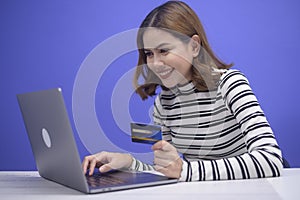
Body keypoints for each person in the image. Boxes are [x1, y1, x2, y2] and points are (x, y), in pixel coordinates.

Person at [82, 0, 283, 181]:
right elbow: (169, 170)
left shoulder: (230, 84)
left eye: (164, 51)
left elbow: (270, 159)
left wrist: (186, 171)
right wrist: (128, 162)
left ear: (194, 46)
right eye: (149, 54)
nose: (155, 63)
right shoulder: (164, 104)